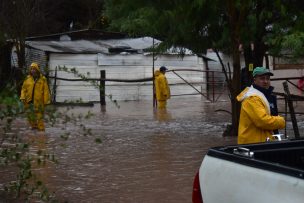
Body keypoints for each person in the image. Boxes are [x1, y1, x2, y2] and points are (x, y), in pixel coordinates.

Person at [236, 67, 285, 144]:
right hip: (253, 142)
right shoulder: (252, 98)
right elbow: (262, 121)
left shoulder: (264, 95)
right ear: (254, 80)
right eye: (262, 78)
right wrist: (281, 121)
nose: (265, 81)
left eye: (268, 79)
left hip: (262, 140)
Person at [20, 62, 50, 131]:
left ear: (37, 70)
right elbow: (23, 89)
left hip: (39, 101)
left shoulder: (43, 79)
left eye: (34, 69)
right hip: (29, 101)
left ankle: (41, 131)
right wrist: (22, 97)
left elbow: (46, 90)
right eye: (31, 69)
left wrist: (46, 101)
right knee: (30, 115)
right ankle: (34, 127)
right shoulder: (27, 78)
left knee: (39, 116)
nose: (32, 70)